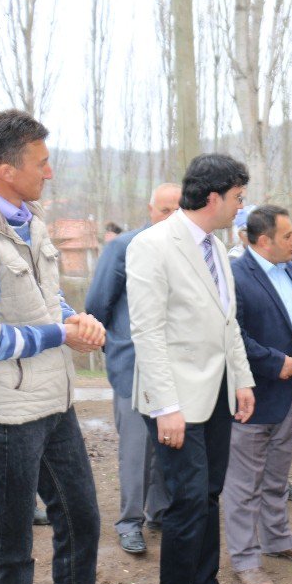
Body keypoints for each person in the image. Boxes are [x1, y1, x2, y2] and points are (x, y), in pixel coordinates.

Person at [127, 153, 259, 584]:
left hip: (217, 394)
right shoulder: (152, 246)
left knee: (208, 494)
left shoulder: (218, 248)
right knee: (185, 503)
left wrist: (242, 379)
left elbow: (229, 325)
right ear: (213, 198)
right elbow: (148, 332)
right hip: (175, 403)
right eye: (238, 198)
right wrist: (167, 407)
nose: (241, 208)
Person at [0, 109, 105, 584]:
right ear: (7, 171)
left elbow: (44, 300)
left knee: (82, 523)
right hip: (7, 414)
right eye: (42, 162)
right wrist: (62, 334)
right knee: (7, 548)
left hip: (56, 404)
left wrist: (73, 318)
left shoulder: (30, 223)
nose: (49, 172)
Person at [225, 205, 292, 584]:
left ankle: (278, 539)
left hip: (289, 395)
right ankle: (245, 559)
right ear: (264, 240)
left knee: (277, 477)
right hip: (252, 398)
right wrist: (274, 362)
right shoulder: (235, 276)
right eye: (288, 235)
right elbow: (230, 334)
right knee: (244, 484)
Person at [85, 182, 181, 555]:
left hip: (174, 367)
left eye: (177, 210)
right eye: (164, 210)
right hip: (133, 365)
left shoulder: (185, 249)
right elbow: (97, 303)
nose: (170, 217)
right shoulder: (123, 246)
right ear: (150, 209)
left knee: (166, 442)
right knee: (136, 448)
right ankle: (129, 522)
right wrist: (119, 345)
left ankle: (158, 511)